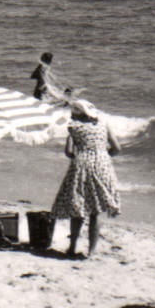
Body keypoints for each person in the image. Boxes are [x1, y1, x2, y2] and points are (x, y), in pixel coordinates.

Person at [51, 100, 121, 257]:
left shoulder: (73, 127)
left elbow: (69, 152)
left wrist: (81, 152)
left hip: (82, 165)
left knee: (78, 208)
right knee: (95, 212)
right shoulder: (104, 124)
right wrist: (103, 156)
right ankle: (91, 251)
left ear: (78, 114)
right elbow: (117, 148)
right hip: (103, 164)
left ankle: (72, 247)